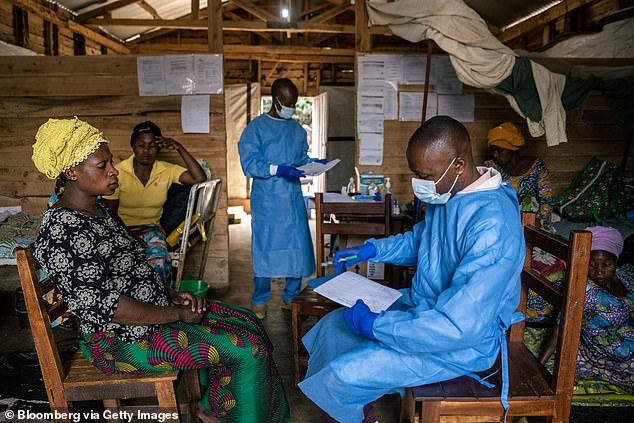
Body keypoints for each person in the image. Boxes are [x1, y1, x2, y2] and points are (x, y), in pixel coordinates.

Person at [31, 118, 290, 423]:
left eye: (111, 162)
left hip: (150, 315)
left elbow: (129, 272)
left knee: (248, 322)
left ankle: (210, 410)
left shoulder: (98, 211)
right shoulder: (65, 229)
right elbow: (105, 307)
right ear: (72, 173)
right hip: (119, 341)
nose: (113, 170)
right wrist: (178, 314)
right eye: (102, 165)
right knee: (250, 349)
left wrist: (172, 295)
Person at [298, 116, 525, 423]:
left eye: (424, 175)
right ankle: (361, 411)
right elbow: (423, 240)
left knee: (344, 373)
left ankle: (356, 407)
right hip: (423, 309)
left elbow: (457, 326)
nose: (419, 183)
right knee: (333, 327)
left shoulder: (493, 224)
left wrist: (376, 326)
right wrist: (374, 249)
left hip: (457, 343)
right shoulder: (452, 194)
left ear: (458, 165)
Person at [238, 78, 327, 319]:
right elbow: (250, 164)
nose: (291, 107)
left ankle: (290, 298)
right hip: (267, 201)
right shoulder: (256, 128)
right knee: (265, 248)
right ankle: (260, 301)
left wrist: (312, 164)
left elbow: (299, 158)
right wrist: (278, 169)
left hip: (291, 200)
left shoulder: (297, 130)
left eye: (294, 103)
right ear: (275, 100)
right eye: (287, 103)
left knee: (295, 248)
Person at [103, 121, 206, 288]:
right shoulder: (119, 173)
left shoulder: (166, 169)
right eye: (141, 145)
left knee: (158, 259)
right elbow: (110, 214)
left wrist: (179, 147)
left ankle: (162, 304)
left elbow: (199, 178)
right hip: (122, 228)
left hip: (152, 228)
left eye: (152, 145)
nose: (146, 150)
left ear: (159, 147)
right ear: (133, 146)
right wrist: (131, 237)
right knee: (121, 263)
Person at [540, 226, 634, 392]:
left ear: (616, 263)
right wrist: (540, 364)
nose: (599, 271)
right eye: (592, 265)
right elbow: (562, 324)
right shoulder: (584, 289)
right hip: (609, 354)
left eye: (607, 265)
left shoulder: (624, 278)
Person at [484, 122, 553, 226]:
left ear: (513, 149)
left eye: (499, 150)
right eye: (493, 150)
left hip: (533, 223)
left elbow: (547, 201)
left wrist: (538, 222)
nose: (495, 155)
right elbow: (487, 202)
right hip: (502, 223)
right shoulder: (491, 168)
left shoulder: (537, 168)